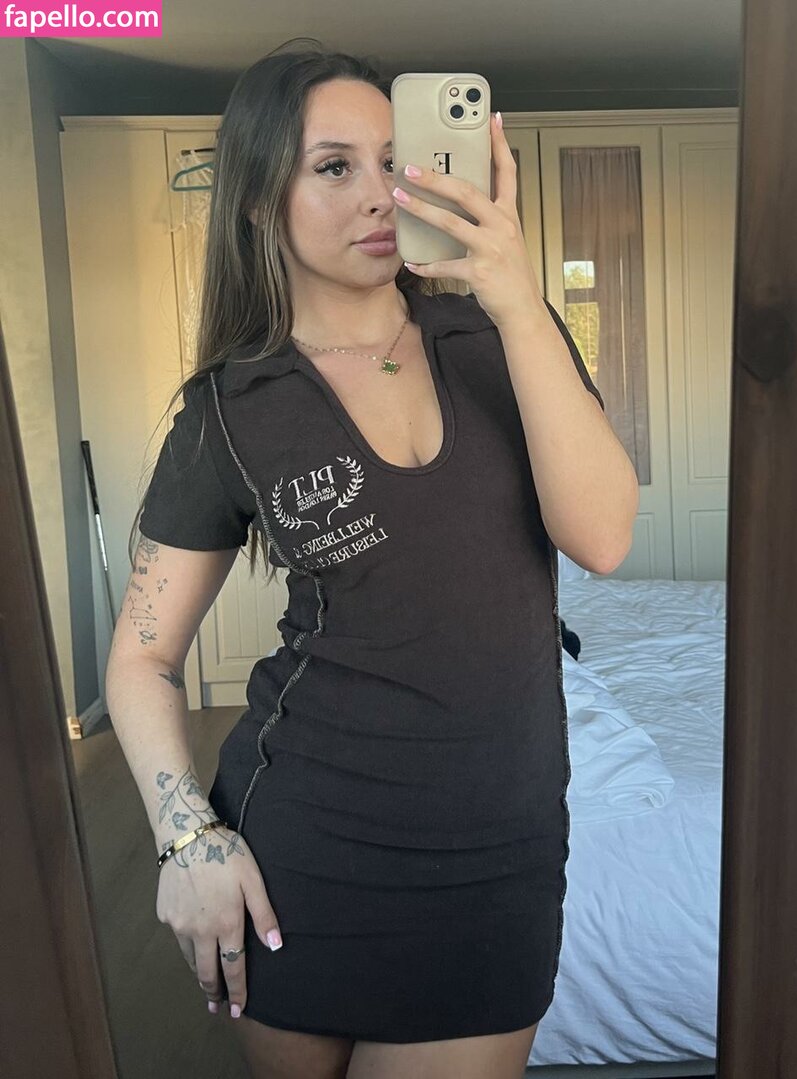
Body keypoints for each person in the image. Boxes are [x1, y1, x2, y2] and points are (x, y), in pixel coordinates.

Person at [106, 39, 638, 1079]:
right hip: (300, 855)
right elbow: (142, 657)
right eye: (333, 166)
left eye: (394, 161)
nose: (378, 194)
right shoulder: (230, 407)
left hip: (494, 858)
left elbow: (603, 536)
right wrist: (186, 838)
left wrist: (517, 297)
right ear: (259, 200)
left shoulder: (502, 337)